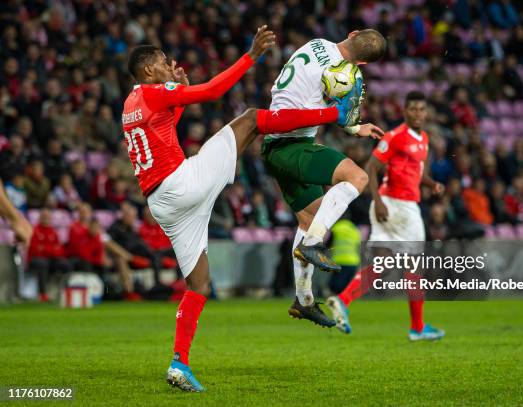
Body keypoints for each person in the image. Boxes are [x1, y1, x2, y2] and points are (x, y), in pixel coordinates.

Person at [123, 25, 363, 392]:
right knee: (252, 118)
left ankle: (179, 364)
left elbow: (161, 131)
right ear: (148, 72)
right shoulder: (154, 93)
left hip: (162, 203)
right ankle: (332, 116)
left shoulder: (131, 104)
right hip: (182, 182)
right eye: (160, 62)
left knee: (199, 285)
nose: (168, 64)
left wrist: (178, 97)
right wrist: (251, 56)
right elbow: (215, 90)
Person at [261, 30, 387, 327]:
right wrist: (348, 115)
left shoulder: (314, 43)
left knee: (310, 217)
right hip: (293, 145)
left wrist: (356, 128)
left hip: (273, 144)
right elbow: (339, 110)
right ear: (365, 65)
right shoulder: (344, 72)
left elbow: (330, 110)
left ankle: (303, 300)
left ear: (352, 33)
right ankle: (314, 243)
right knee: (356, 178)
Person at [326, 91, 446, 341]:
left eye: (421, 109)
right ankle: (418, 327)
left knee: (380, 265)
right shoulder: (395, 137)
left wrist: (431, 183)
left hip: (398, 205)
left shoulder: (422, 139)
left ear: (426, 112)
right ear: (405, 111)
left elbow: (416, 171)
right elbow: (371, 166)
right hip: (398, 206)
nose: (417, 113)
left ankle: (343, 300)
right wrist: (378, 201)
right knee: (415, 268)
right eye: (412, 109)